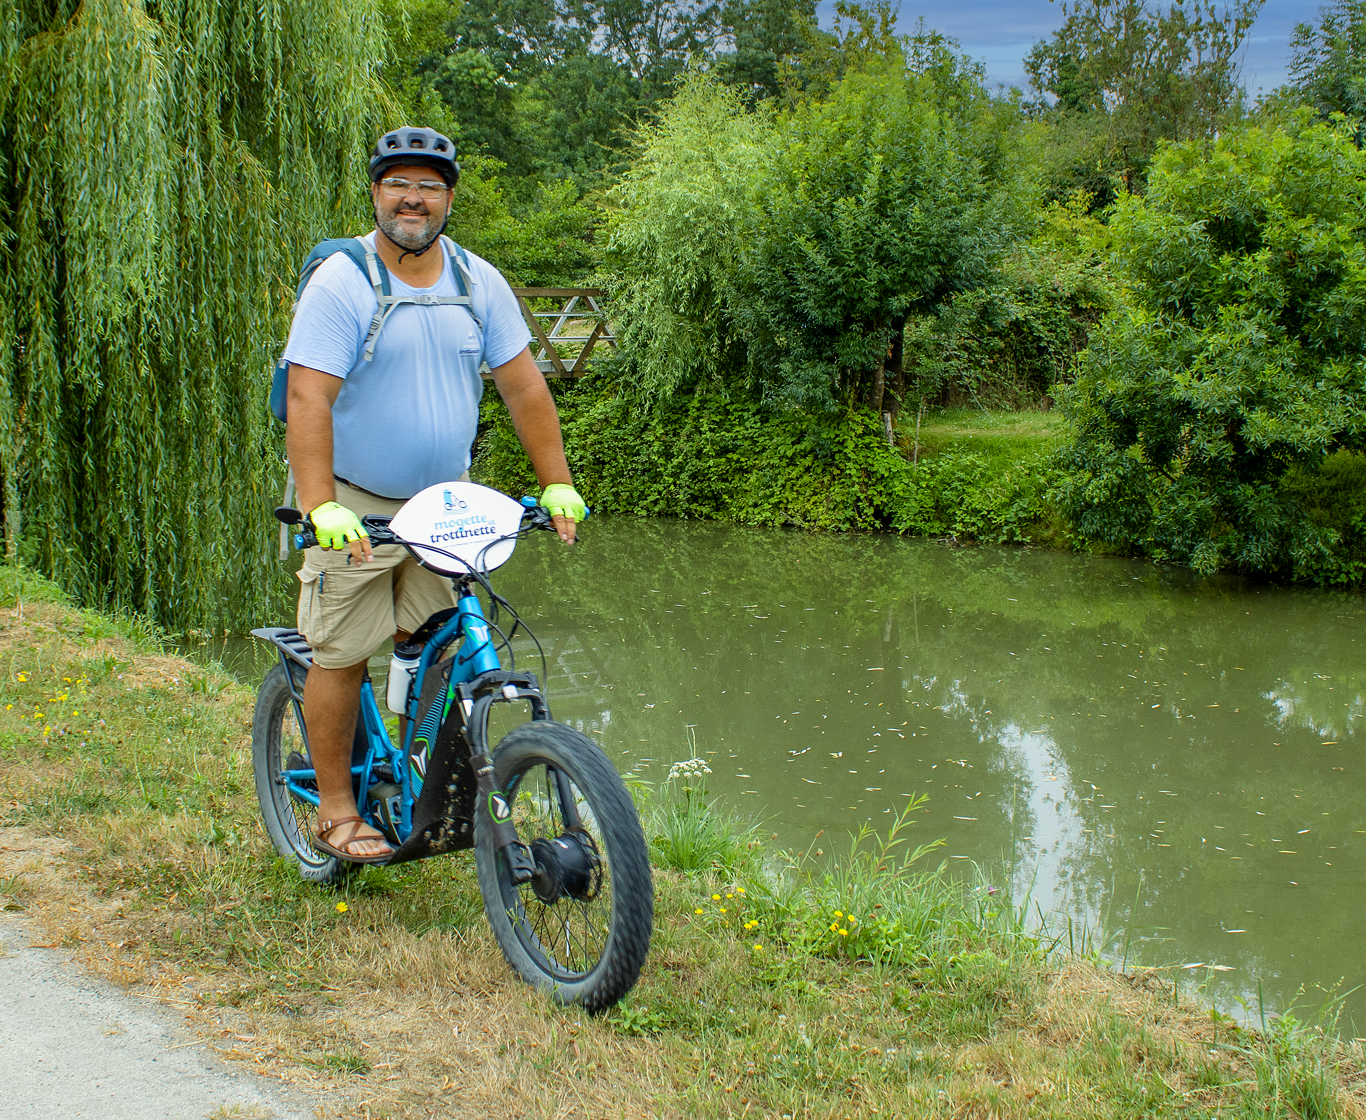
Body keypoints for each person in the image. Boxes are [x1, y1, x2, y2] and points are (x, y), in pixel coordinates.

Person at [281, 126, 587, 863]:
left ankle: (414, 760)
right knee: (342, 651)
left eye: (429, 186)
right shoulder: (344, 280)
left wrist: (558, 483)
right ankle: (336, 808)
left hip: (444, 504)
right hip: (353, 502)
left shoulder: (478, 281)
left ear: (448, 200)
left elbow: (522, 384)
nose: (412, 198)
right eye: (398, 183)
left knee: (445, 634)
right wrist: (322, 503)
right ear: (377, 194)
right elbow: (308, 396)